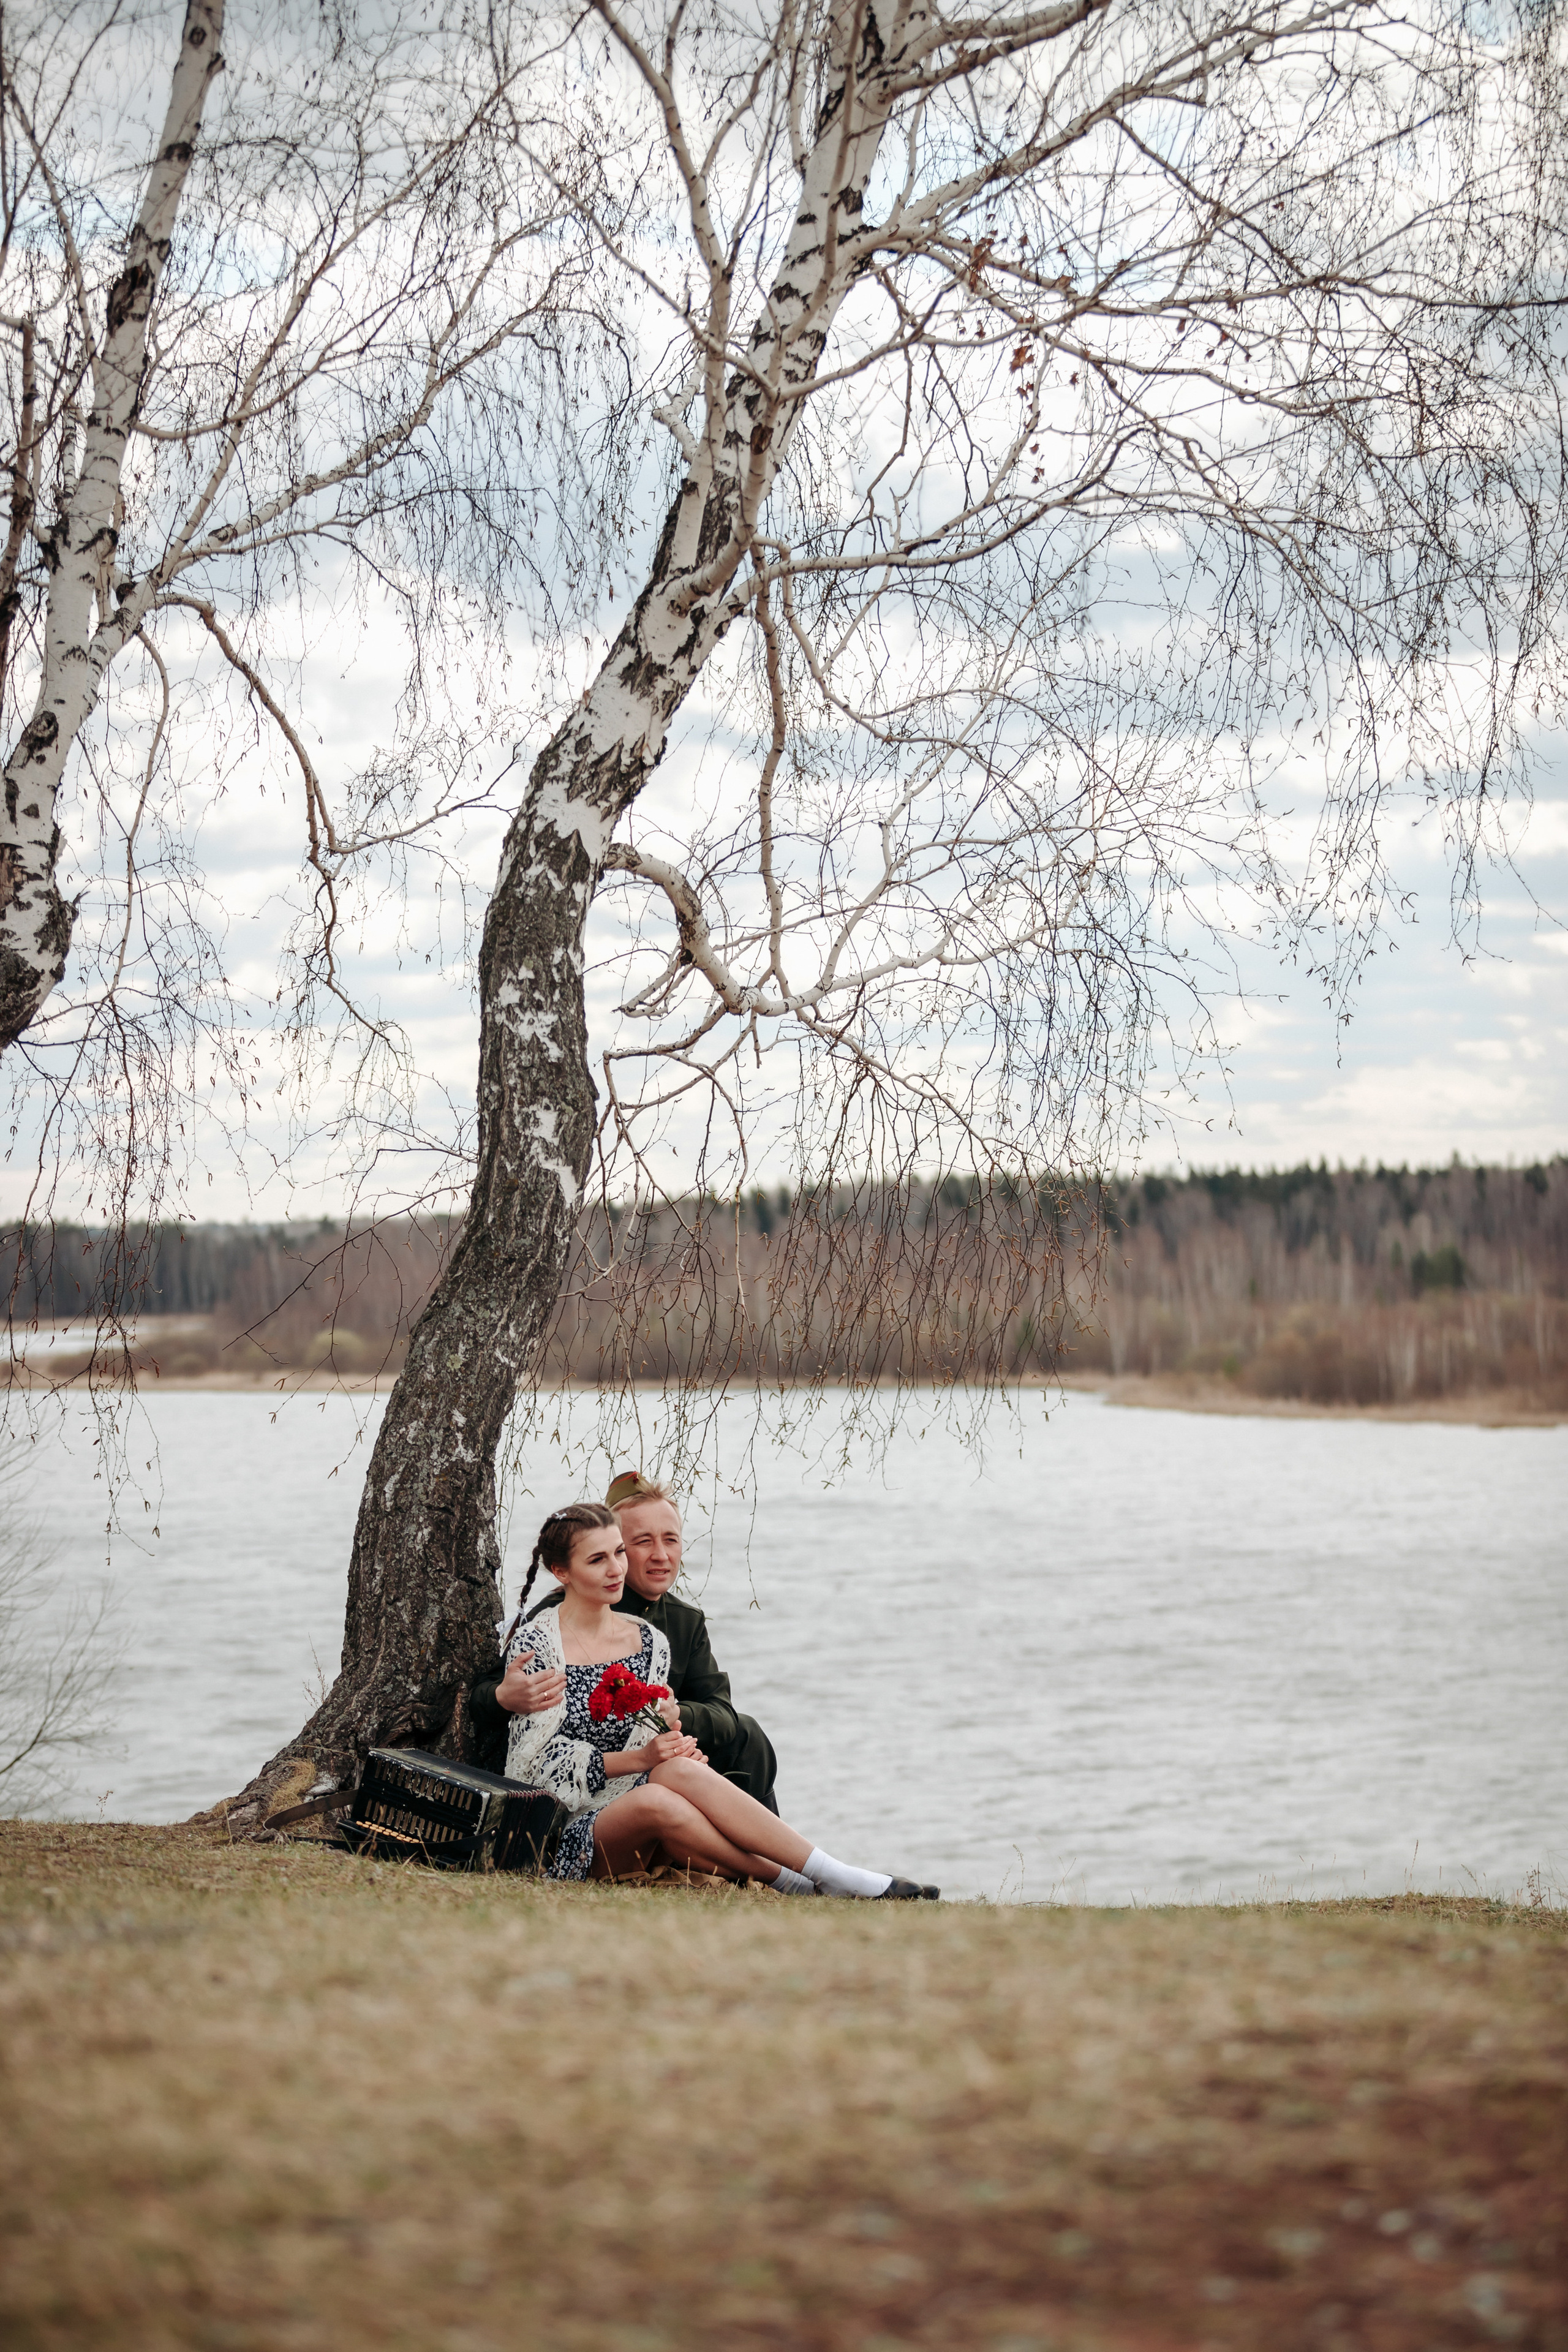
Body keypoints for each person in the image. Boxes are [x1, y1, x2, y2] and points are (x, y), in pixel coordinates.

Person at [504, 1501, 938, 1898]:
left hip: (637, 1800)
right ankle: (809, 1880)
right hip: (564, 1829)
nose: (616, 1568)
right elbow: (533, 1767)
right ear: (562, 1572)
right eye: (598, 1559)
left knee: (677, 1770)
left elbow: (654, 1739)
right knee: (658, 1797)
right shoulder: (539, 1644)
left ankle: (825, 1876)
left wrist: (669, 1746)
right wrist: (643, 1759)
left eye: (619, 1552)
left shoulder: (649, 1642)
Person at [469, 1470, 778, 1808]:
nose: (661, 1555)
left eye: (671, 1539)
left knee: (749, 1737)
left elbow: (722, 1712)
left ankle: (773, 1855)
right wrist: (504, 1697)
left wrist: (676, 1715)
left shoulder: (684, 1621)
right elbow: (485, 1695)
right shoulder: (560, 1614)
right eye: (643, 1542)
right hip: (590, 1779)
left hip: (662, 1755)